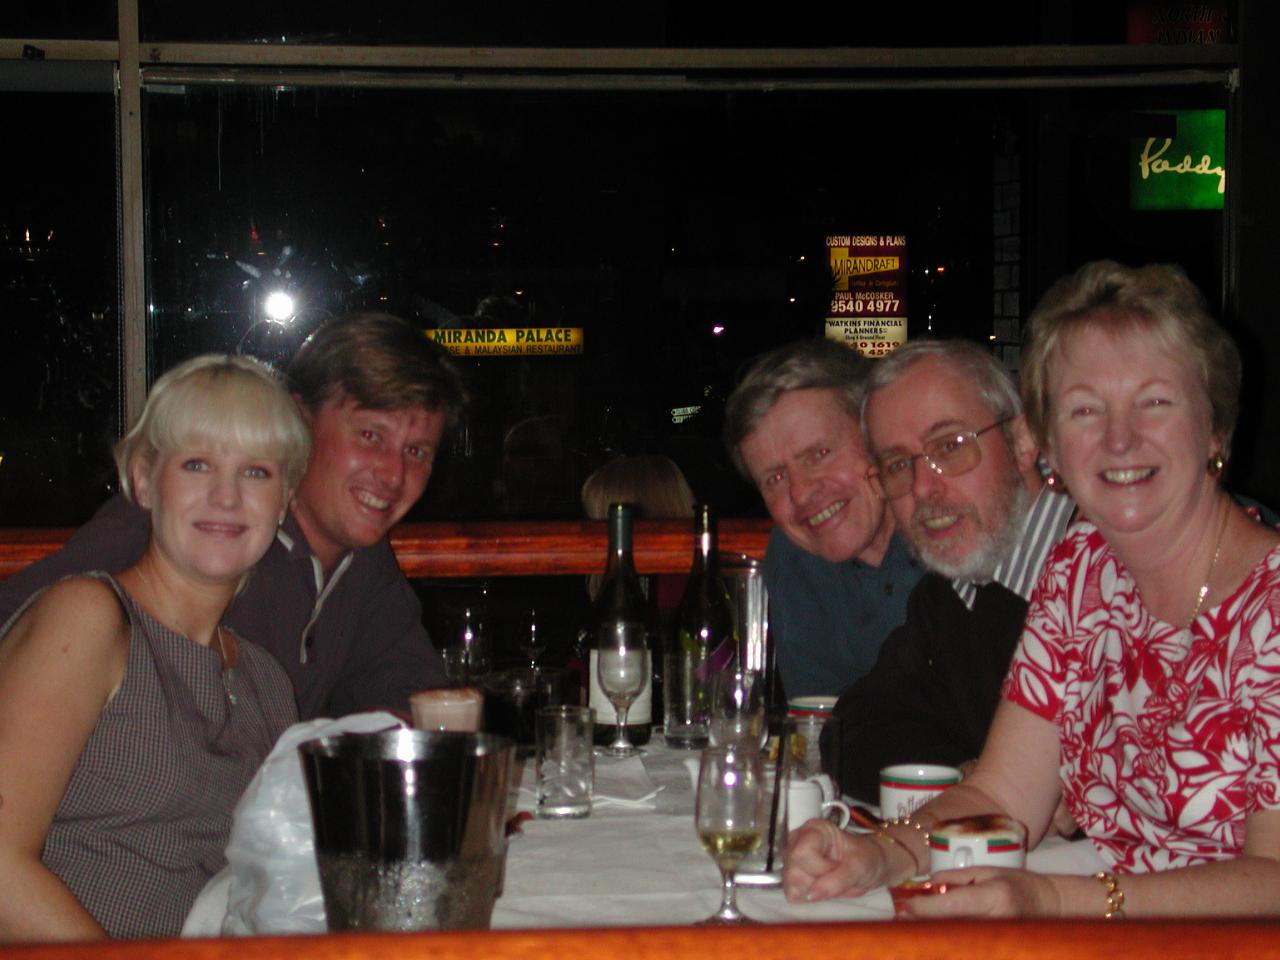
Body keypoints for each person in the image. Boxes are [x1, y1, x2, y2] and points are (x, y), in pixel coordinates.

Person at [785, 260, 1280, 918]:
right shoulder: (1083, 571)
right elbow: (1001, 796)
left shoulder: (1269, 606)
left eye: (1154, 401)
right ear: (1046, 446)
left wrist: (1054, 898)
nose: (1119, 438)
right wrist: (878, 853)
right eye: (1084, 409)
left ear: (1213, 427)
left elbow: (1273, 879)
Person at [0, 312, 468, 719]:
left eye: (417, 450)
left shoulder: (362, 564)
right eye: (369, 435)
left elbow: (414, 695)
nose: (393, 473)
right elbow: (16, 629)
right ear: (299, 423)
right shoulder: (189, 529)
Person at [0, 354, 309, 941]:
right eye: (197, 464)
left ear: (285, 499)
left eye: (257, 472)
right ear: (143, 480)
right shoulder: (89, 617)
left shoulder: (266, 681)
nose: (226, 497)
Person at [824, 337, 1075, 802]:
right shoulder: (954, 594)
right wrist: (972, 779)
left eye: (950, 446)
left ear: (1022, 443)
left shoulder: (1116, 568)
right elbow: (852, 728)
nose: (922, 487)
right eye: (898, 464)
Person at [723, 339, 924, 700]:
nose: (800, 494)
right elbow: (823, 726)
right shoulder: (794, 560)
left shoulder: (951, 528)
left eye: (819, 454)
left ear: (876, 437)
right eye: (775, 478)